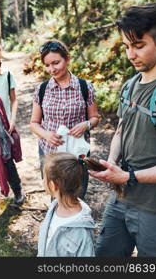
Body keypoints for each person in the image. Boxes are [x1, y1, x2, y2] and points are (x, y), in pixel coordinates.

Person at [90, 3, 156, 257]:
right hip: (120, 200)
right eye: (127, 46)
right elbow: (120, 130)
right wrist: (110, 163)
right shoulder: (129, 86)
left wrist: (128, 177)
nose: (130, 55)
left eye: (138, 46)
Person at [30, 40, 99, 199]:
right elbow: (34, 123)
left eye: (56, 63)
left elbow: (95, 117)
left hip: (77, 152)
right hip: (50, 151)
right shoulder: (41, 90)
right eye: (47, 65)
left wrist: (86, 124)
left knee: (77, 192)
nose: (51, 69)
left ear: (67, 59)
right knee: (56, 195)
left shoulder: (84, 86)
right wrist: (46, 135)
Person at [37, 152, 96, 257]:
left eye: (44, 178)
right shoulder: (54, 207)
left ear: (53, 185)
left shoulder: (83, 232)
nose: (43, 181)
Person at [0, 39, 25, 208]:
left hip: (3, 125)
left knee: (6, 158)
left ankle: (18, 190)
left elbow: (14, 100)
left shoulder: (6, 75)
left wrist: (12, 120)